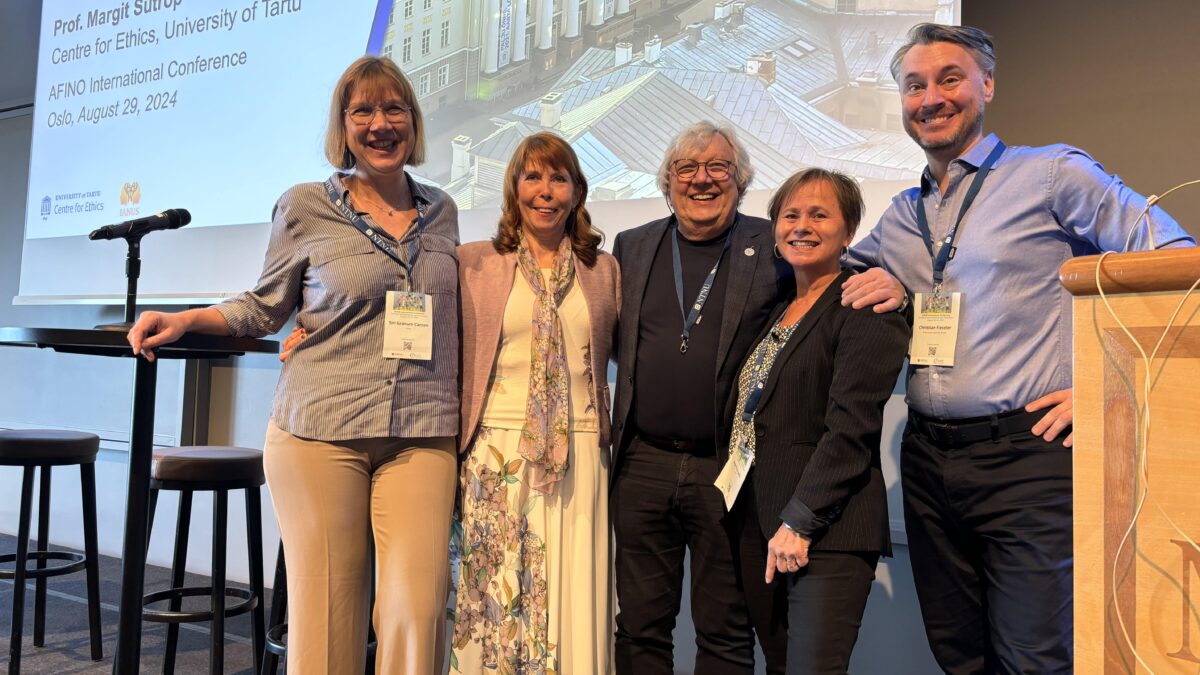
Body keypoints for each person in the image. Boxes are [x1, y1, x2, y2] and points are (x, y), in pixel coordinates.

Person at [839, 24, 1196, 674]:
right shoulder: (900, 215)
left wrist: (1110, 388)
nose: (930, 97)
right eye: (914, 85)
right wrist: (886, 276)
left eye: (949, 78)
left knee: (1035, 658)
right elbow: (833, 280)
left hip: (1029, 459)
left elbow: (1177, 261)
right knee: (960, 655)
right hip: (925, 460)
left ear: (988, 84)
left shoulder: (1050, 174)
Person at [127, 56, 461, 674]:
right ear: (343, 127)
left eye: (394, 110)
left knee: (418, 611)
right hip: (320, 431)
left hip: (421, 431)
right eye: (363, 111)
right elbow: (264, 306)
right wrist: (186, 320)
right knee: (329, 613)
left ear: (413, 123)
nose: (381, 123)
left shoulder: (443, 209)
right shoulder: (307, 204)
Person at [610, 121, 791, 674]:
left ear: (741, 181)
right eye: (687, 168)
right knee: (640, 627)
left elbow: (826, 291)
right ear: (667, 182)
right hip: (642, 463)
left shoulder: (771, 245)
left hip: (727, 469)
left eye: (719, 167)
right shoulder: (633, 246)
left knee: (725, 630)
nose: (702, 179)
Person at [721, 169, 908, 674]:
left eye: (820, 214)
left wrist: (800, 520)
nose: (802, 226)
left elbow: (851, 430)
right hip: (762, 523)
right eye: (790, 215)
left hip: (826, 531)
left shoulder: (865, 306)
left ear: (849, 233)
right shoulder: (779, 308)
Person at [451, 131, 620, 674]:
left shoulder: (604, 270)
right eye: (533, 176)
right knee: (496, 596)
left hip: (582, 450)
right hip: (496, 454)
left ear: (576, 191)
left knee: (575, 587)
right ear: (513, 188)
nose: (545, 190)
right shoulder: (474, 263)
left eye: (559, 177)